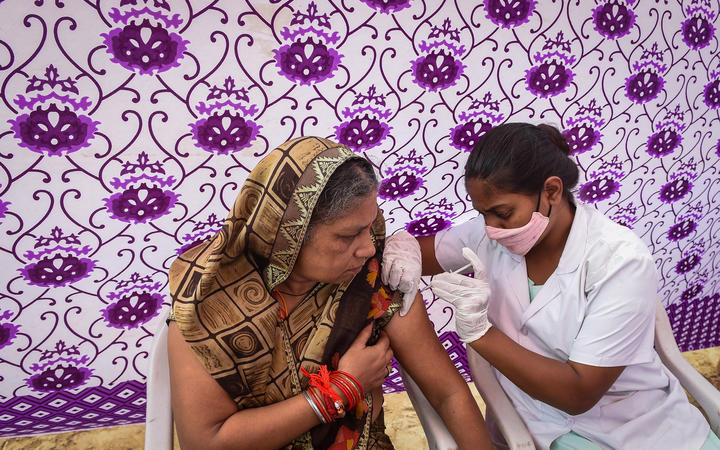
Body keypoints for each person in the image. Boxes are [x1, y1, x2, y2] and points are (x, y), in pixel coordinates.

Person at [382, 123, 720, 449]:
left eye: (502, 213)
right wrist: (403, 248)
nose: (490, 229)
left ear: (552, 191)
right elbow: (422, 253)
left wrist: (480, 332)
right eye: (482, 214)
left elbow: (578, 394)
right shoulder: (488, 236)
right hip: (535, 424)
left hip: (635, 425)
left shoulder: (619, 261)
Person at [166, 136, 492, 450]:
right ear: (288, 233)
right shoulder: (207, 299)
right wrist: (342, 388)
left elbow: (448, 394)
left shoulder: (376, 281)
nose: (367, 247)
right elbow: (206, 441)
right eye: (348, 235)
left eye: (370, 225)